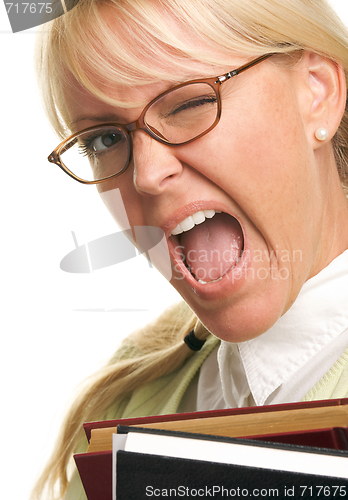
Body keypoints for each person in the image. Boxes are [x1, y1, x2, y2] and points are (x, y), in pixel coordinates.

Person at [32, 0, 348, 498]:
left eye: (188, 103)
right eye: (105, 138)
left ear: (318, 91)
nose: (147, 175)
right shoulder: (128, 403)